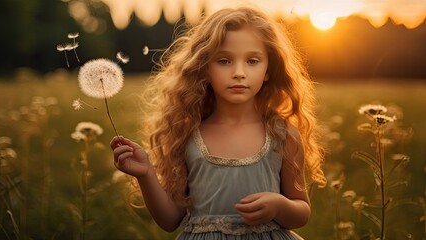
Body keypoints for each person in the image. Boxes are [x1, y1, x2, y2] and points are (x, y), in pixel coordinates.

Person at [110, 5, 327, 240]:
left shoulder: (283, 135)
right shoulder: (187, 134)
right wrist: (145, 174)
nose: (239, 72)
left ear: (268, 69)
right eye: (224, 61)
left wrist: (279, 206)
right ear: (204, 67)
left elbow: (301, 210)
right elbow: (170, 220)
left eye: (252, 61)